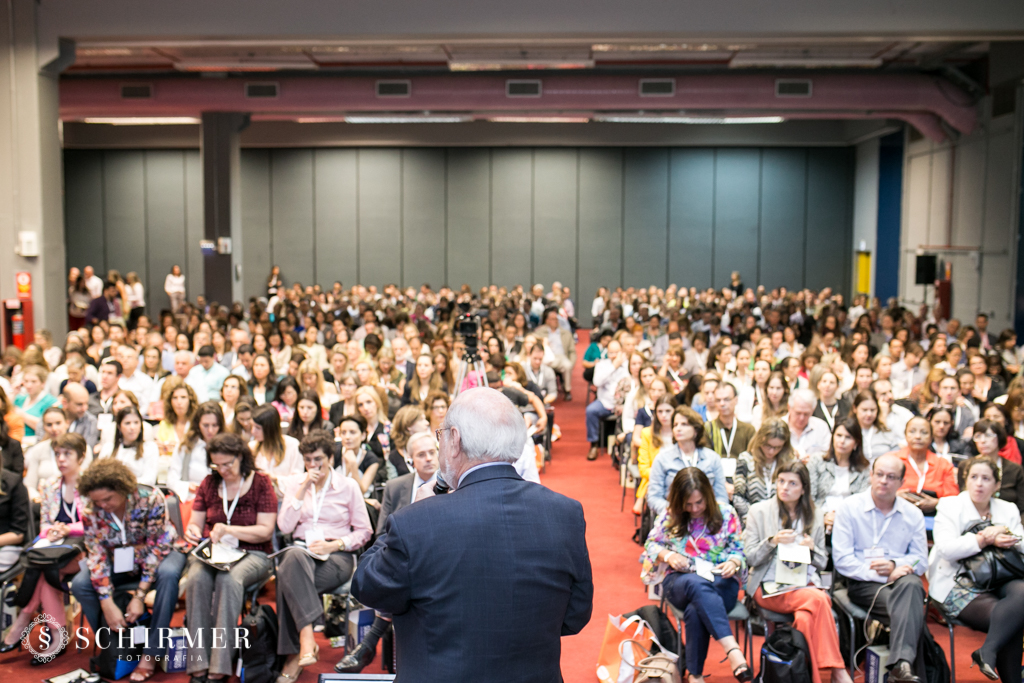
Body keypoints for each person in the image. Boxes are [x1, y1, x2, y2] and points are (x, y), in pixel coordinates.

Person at [348, 387, 593, 682]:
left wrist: (410, 513)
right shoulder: (565, 513)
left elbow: (368, 586)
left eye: (440, 437)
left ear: (455, 440)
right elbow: (575, 615)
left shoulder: (417, 521)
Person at [71, 458, 186, 683]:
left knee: (169, 574)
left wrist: (140, 596)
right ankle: (116, 641)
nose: (103, 505)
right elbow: (96, 556)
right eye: (98, 501)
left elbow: (157, 548)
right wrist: (107, 603)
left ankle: (151, 653)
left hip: (160, 554)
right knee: (81, 584)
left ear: (123, 489)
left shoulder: (150, 499)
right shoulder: (91, 510)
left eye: (108, 499)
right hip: (119, 559)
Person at [336, 429, 441, 673]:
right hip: (402, 554)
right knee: (391, 575)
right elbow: (382, 533)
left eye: (432, 452)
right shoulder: (396, 486)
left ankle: (368, 645)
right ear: (410, 460)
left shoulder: (451, 485)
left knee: (403, 582)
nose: (428, 459)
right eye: (421, 454)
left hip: (435, 558)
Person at [275, 431, 372, 682]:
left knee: (287, 577)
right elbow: (285, 527)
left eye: (318, 459)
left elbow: (364, 531)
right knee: (293, 558)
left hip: (336, 556)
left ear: (330, 457)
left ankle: (294, 655)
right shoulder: (296, 483)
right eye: (308, 460)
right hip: (302, 552)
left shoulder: (347, 486)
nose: (313, 465)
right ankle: (306, 639)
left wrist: (336, 544)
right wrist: (303, 487)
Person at [743, 461, 852, 683]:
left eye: (792, 483)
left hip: (804, 583)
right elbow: (751, 558)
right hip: (768, 586)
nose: (784, 487)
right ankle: (838, 671)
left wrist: (812, 551)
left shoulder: (816, 514)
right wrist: (772, 541)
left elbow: (822, 563)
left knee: (804, 618)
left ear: (804, 488)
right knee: (820, 599)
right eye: (781, 481)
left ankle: (808, 678)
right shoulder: (759, 511)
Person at [182, 433, 276, 683]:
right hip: (215, 552)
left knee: (229, 581)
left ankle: (220, 665)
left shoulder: (261, 483)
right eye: (217, 465)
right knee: (196, 579)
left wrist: (229, 529)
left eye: (227, 464)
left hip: (253, 553)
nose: (222, 470)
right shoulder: (209, 483)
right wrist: (192, 530)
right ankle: (198, 663)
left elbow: (265, 531)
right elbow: (195, 522)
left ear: (241, 458)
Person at [641, 467, 750, 683]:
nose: (694, 509)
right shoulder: (671, 514)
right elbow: (651, 544)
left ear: (708, 496)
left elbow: (739, 549)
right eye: (688, 505)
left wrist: (734, 561)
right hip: (681, 580)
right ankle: (732, 648)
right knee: (695, 584)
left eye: (699, 503)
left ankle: (695, 674)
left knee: (696, 608)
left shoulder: (726, 513)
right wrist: (668, 555)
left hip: (720, 580)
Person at [831, 453, 929, 683]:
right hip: (862, 584)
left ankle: (902, 666)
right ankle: (905, 667)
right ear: (870, 476)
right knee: (912, 606)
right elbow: (842, 559)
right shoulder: (849, 508)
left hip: (901, 582)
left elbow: (920, 560)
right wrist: (881, 575)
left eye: (892, 477)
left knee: (911, 584)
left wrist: (896, 566)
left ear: (901, 482)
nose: (884, 481)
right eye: (880, 475)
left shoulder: (912, 514)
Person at [928, 456, 1024, 683]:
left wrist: (1005, 532)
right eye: (974, 477)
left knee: (1022, 595)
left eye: (986, 479)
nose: (979, 484)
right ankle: (1009, 676)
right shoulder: (950, 505)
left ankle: (987, 650)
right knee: (1014, 617)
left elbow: (1021, 543)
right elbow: (946, 549)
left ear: (997, 485)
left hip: (1000, 576)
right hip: (956, 581)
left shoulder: (1007, 508)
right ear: (965, 481)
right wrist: (983, 539)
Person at [1, 433, 87, 662]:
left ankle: (25, 619)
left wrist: (69, 529)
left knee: (45, 569)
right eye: (57, 454)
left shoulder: (89, 486)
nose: (61, 459)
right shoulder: (49, 486)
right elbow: (44, 526)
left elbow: (93, 524)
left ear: (82, 457)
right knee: (46, 568)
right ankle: (56, 636)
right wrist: (52, 531)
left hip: (83, 552)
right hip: (55, 550)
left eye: (67, 454)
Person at [647, 406, 728, 514]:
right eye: (675, 425)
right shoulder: (662, 459)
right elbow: (653, 497)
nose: (678, 429)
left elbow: (721, 496)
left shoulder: (712, 458)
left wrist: (711, 511)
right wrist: (671, 511)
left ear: (696, 430)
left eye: (684, 424)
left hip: (707, 515)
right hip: (674, 516)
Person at [808, 416, 870, 533]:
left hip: (851, 521)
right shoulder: (817, 461)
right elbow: (810, 497)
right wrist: (824, 516)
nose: (842, 441)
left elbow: (861, 502)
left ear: (856, 443)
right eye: (839, 436)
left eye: (848, 437)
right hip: (819, 519)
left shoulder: (863, 468)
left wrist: (841, 518)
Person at [892, 416, 959, 515]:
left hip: (934, 518)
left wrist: (937, 503)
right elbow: (876, 491)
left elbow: (953, 500)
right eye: (912, 431)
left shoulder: (943, 464)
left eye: (924, 432)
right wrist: (894, 496)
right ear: (905, 435)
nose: (918, 436)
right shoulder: (892, 460)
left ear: (931, 437)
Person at [732, 418, 795, 521]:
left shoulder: (789, 462)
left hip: (782, 519)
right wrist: (753, 518)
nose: (771, 451)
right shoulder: (746, 459)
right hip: (752, 519)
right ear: (760, 440)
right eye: (768, 446)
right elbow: (738, 497)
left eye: (777, 447)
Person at [963, 419, 1024, 514]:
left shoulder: (1015, 469)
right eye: (978, 436)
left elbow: (1022, 507)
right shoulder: (965, 465)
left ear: (999, 438)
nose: (982, 441)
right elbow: (962, 498)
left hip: (1008, 520)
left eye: (988, 435)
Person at [166, 401, 222, 502]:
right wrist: (187, 486)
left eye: (214, 425)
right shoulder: (185, 447)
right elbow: (171, 480)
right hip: (191, 499)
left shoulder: (227, 448)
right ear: (197, 424)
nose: (210, 430)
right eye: (205, 425)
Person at [585, 339, 630, 460]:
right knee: (591, 410)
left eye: (617, 352)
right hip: (605, 403)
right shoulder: (602, 365)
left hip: (624, 404)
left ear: (622, 352)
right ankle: (594, 444)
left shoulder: (628, 365)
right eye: (611, 352)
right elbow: (597, 382)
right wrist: (613, 366)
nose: (614, 355)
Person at [97, 405, 159, 486]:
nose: (132, 427)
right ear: (119, 426)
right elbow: (101, 475)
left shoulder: (150, 448)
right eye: (127, 423)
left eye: (136, 423)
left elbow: (149, 479)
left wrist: (124, 484)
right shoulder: (108, 448)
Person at [635, 396, 675, 513]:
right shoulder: (647, 433)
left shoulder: (681, 433)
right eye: (660, 411)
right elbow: (643, 469)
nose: (664, 415)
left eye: (668, 411)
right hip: (656, 480)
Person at [24, 406, 71, 500]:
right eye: (49, 425)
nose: (54, 428)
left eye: (58, 423)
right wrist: (37, 499)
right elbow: (29, 485)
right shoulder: (38, 450)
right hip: (43, 501)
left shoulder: (81, 448)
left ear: (67, 423)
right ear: (44, 427)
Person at [250, 403, 304, 484]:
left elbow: (298, 479)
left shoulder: (293, 445)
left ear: (270, 428)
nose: (253, 431)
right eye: (252, 426)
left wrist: (275, 479)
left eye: (258, 428)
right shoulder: (252, 447)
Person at [704, 382, 755, 459]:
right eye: (718, 400)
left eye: (726, 399)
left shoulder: (748, 430)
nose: (722, 403)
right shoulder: (708, 428)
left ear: (736, 400)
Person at [534, 308, 576, 400]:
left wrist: (572, 362)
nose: (555, 321)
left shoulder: (565, 333)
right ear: (547, 320)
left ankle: (567, 390)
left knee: (567, 365)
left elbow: (572, 351)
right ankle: (541, 389)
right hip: (545, 357)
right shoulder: (539, 332)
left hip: (561, 357)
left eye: (556, 319)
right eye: (552, 319)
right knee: (539, 364)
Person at [852, 391, 902, 462]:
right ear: (855, 408)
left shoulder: (886, 431)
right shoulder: (849, 432)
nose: (869, 414)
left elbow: (897, 455)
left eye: (872, 410)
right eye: (864, 410)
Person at [783, 389, 831, 463]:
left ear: (813, 410)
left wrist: (814, 459)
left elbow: (829, 454)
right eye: (798, 413)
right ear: (789, 408)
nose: (801, 418)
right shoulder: (780, 426)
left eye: (806, 414)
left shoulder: (821, 427)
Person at [15, 364, 58, 444]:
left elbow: (47, 427)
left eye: (33, 382)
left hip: (36, 441)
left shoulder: (51, 402)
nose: (29, 385)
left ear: (42, 383)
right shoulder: (19, 399)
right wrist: (13, 393)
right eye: (26, 381)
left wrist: (23, 416)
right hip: (16, 440)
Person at [64, 382, 99, 451]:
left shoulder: (91, 421)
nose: (84, 408)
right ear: (65, 403)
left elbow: (87, 450)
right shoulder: (52, 418)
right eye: (79, 404)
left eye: (86, 403)